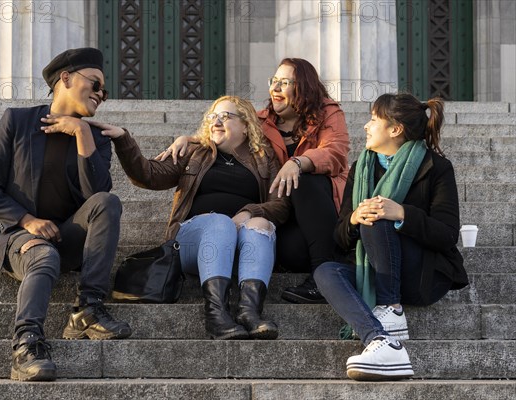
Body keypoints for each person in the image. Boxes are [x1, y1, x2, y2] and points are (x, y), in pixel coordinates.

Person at [0, 48, 132, 382]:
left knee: (109, 201)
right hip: (16, 236)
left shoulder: (96, 140)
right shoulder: (17, 121)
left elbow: (97, 197)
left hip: (68, 237)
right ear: (66, 78)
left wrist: (82, 134)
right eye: (95, 83)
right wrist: (27, 221)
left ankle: (88, 308)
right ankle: (26, 345)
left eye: (104, 91)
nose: (101, 94)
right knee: (43, 256)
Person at [92, 96, 289, 340]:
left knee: (261, 223)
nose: (216, 121)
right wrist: (124, 139)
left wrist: (249, 212)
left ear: (246, 125)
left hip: (242, 248)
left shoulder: (264, 159)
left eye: (225, 116)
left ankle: (249, 313)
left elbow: (280, 205)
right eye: (212, 116)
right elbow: (148, 175)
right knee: (220, 222)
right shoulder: (195, 153)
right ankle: (216, 316)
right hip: (192, 244)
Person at [157, 58, 350, 304]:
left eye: (284, 82)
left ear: (304, 87)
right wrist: (189, 140)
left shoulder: (328, 114)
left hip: (318, 208)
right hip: (282, 213)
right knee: (287, 251)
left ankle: (325, 275)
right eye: (274, 81)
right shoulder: (261, 121)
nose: (275, 88)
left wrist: (297, 162)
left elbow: (335, 152)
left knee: (305, 180)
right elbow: (226, 135)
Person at [313, 93, 469, 381]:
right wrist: (352, 220)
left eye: (374, 120)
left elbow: (447, 234)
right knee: (326, 271)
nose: (366, 126)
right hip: (372, 268)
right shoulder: (362, 167)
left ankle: (391, 307)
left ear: (395, 129)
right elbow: (339, 237)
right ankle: (380, 340)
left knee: (379, 213)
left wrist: (402, 214)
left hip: (421, 272)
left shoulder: (435, 167)